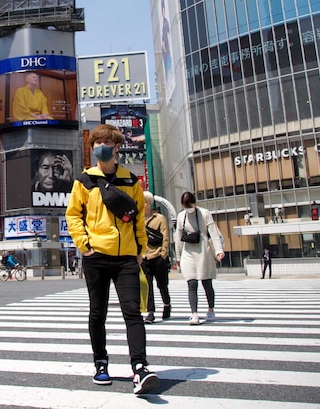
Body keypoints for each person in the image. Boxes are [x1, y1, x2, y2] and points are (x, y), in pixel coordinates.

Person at [65, 123, 159, 396]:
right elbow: (73, 215)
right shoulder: (84, 181)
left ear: (117, 147)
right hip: (97, 256)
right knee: (98, 312)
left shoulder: (131, 180)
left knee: (133, 313)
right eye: (96, 143)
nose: (100, 147)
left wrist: (140, 250)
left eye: (106, 142)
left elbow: (139, 218)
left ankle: (140, 367)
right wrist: (84, 246)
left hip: (127, 257)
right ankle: (100, 362)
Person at [174, 191, 224, 325]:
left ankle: (211, 309)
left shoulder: (204, 213)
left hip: (203, 251)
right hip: (188, 252)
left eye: (190, 205)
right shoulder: (181, 216)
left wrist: (219, 250)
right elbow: (178, 238)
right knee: (191, 283)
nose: (188, 208)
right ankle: (194, 313)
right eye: (186, 206)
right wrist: (177, 256)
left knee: (207, 282)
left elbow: (213, 233)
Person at [140, 191, 171, 324]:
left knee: (162, 284)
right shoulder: (138, 219)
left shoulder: (159, 218)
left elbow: (165, 237)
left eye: (143, 201)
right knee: (148, 286)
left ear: (148, 203)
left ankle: (166, 304)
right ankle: (150, 312)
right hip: (144, 257)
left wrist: (163, 254)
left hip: (157, 256)